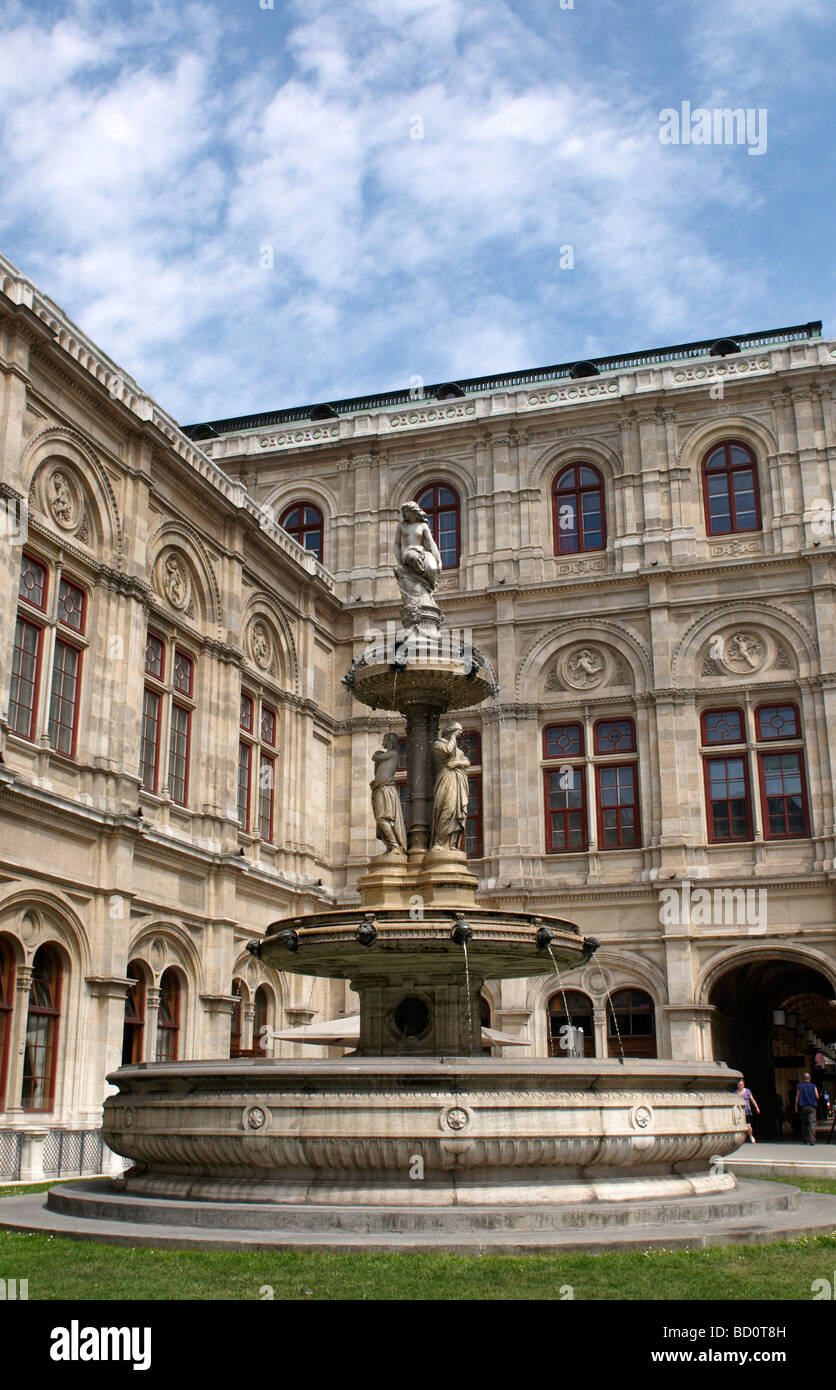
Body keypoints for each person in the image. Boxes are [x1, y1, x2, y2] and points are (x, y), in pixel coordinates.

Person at [796, 1071, 820, 1145]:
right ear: (809, 1078)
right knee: (811, 1123)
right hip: (812, 1107)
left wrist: (796, 1107)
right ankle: (812, 1140)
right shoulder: (813, 1086)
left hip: (803, 1107)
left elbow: (797, 1096)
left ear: (803, 1078)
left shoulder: (799, 1086)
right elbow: (817, 1096)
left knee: (804, 1123)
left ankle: (805, 1139)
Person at [737, 1078, 760, 1143]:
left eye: (742, 1084)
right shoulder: (735, 1092)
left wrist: (757, 1107)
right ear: (737, 1085)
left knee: (748, 1125)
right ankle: (740, 1139)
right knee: (739, 1125)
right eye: (739, 1084)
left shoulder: (747, 1091)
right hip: (739, 1111)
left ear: (744, 1085)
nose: (740, 1085)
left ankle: (751, 1136)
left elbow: (752, 1100)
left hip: (746, 1110)